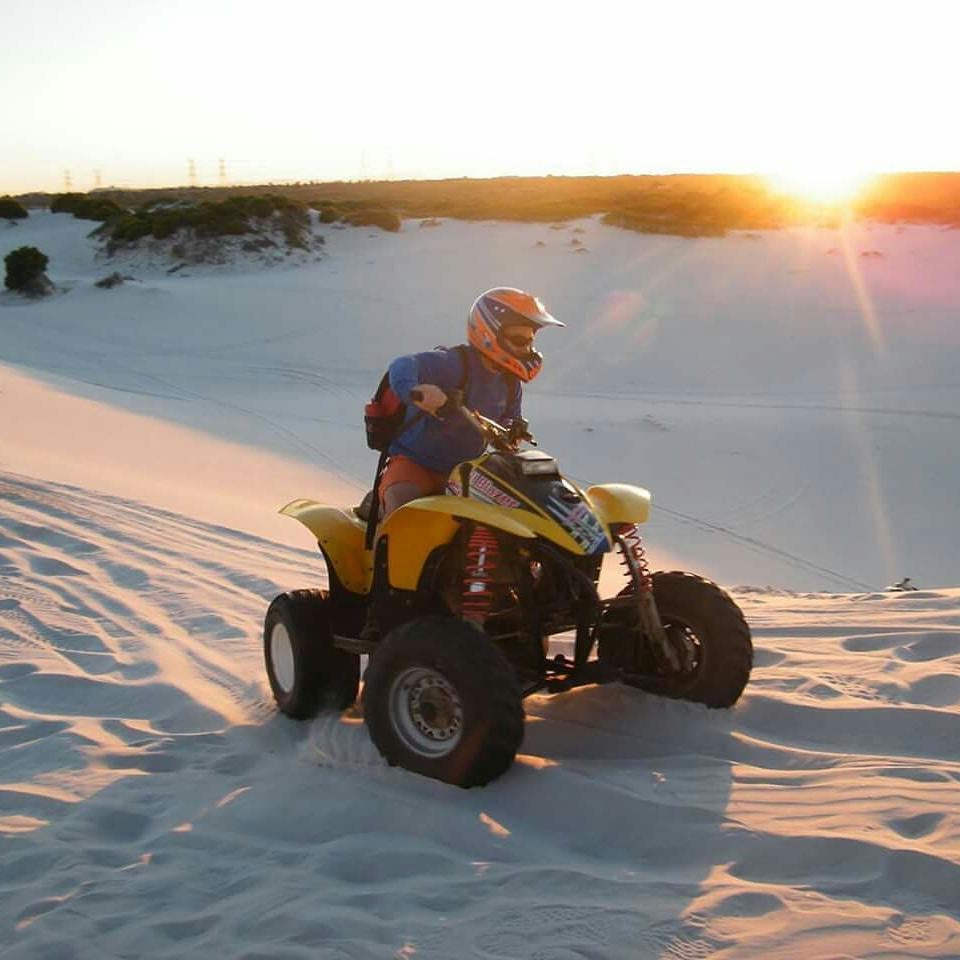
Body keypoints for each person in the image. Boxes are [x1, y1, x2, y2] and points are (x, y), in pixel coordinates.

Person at [377, 286, 564, 519]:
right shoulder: (453, 362)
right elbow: (403, 364)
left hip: (466, 474)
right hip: (416, 465)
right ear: (489, 332)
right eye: (518, 339)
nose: (526, 349)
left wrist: (514, 428)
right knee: (403, 510)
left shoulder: (510, 382)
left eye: (529, 341)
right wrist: (415, 391)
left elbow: (508, 416)